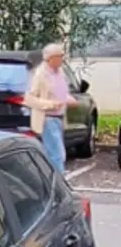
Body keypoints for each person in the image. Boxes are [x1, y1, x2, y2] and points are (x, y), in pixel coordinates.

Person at [24, 43, 78, 174]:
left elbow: (61, 93)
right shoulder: (40, 74)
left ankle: (54, 182)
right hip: (47, 118)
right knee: (57, 153)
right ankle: (59, 185)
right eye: (60, 56)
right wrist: (50, 104)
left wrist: (68, 99)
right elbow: (29, 99)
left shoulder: (60, 73)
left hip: (59, 117)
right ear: (51, 58)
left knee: (56, 152)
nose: (62, 59)